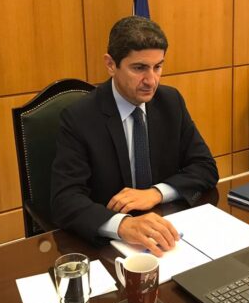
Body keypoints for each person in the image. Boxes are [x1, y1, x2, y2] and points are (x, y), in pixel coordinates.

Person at [51, 16, 218, 256]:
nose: (151, 81)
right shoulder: (79, 117)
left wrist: (156, 193)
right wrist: (122, 225)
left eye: (158, 67)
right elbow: (65, 199)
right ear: (111, 64)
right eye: (139, 68)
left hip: (168, 231)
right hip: (111, 248)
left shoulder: (170, 102)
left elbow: (205, 167)